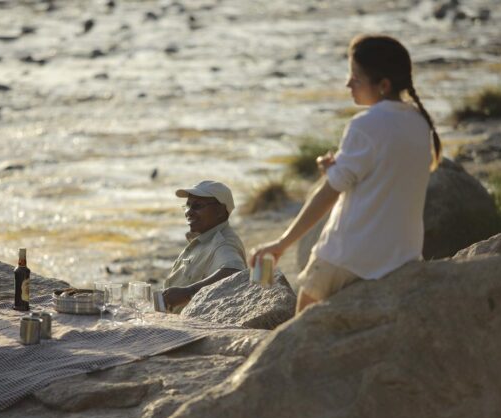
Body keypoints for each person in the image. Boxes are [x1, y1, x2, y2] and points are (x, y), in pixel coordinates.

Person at [250, 34, 442, 314]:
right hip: (402, 255)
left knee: (300, 328)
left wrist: (281, 244)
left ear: (383, 85)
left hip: (348, 255)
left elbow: (328, 194)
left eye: (356, 77)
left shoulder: (365, 124)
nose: (347, 83)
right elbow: (384, 175)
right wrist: (337, 170)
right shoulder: (419, 123)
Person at [162, 180, 247, 313]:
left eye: (197, 206)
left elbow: (235, 273)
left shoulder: (223, 243)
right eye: (187, 206)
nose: (188, 212)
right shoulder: (205, 238)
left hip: (192, 329)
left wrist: (187, 293)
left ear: (220, 211)